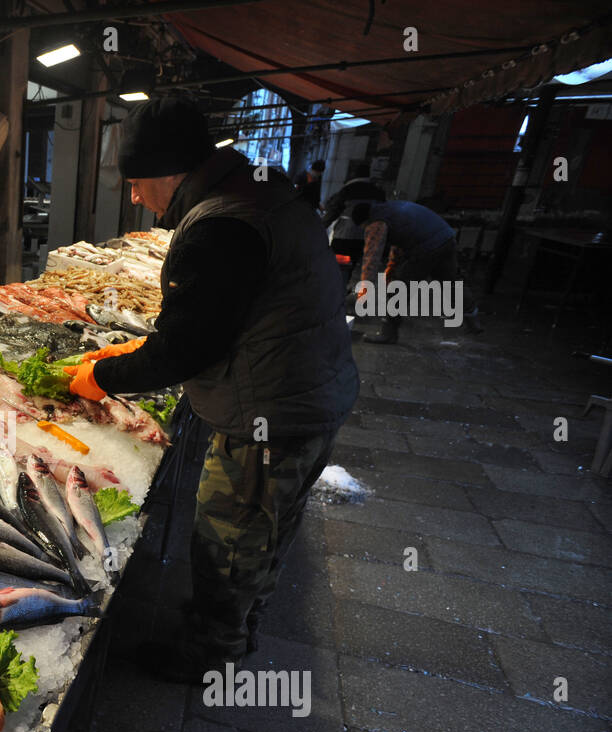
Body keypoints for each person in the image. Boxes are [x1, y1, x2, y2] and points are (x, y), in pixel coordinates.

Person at [62, 98, 357, 683]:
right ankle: (238, 626)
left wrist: (103, 377)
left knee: (231, 537)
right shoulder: (255, 194)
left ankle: (209, 657)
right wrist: (131, 349)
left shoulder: (221, 224)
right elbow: (217, 321)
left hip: (272, 413)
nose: (135, 197)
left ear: (172, 172)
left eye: (138, 182)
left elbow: (186, 350)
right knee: (268, 529)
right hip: (309, 394)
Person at [350, 199, 480, 344]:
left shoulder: (376, 223)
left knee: (399, 287)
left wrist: (364, 290)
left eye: (363, 228)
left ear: (365, 222)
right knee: (449, 283)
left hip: (427, 246)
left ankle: (388, 333)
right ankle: (473, 322)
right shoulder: (390, 211)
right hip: (446, 238)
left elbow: (371, 258)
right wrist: (390, 272)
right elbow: (398, 247)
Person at [321, 162, 385, 261]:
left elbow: (333, 211)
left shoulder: (347, 190)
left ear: (353, 174)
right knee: (359, 264)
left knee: (337, 265)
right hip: (367, 236)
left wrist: (320, 226)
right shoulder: (378, 192)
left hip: (345, 235)